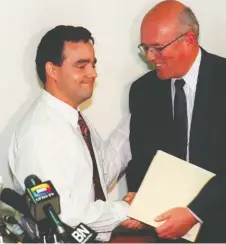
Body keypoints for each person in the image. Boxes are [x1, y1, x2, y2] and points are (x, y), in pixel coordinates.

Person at [125, 0, 226, 242]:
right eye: (145, 48)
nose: (151, 57)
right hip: (174, 231)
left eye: (158, 48)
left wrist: (194, 212)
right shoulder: (143, 91)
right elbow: (141, 158)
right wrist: (138, 196)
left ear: (189, 40)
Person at [8, 25, 138, 242]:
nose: (93, 74)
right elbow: (62, 214)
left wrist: (139, 117)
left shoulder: (75, 120)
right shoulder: (39, 133)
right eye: (81, 65)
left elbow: (101, 173)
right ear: (52, 70)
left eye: (93, 64)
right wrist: (123, 210)